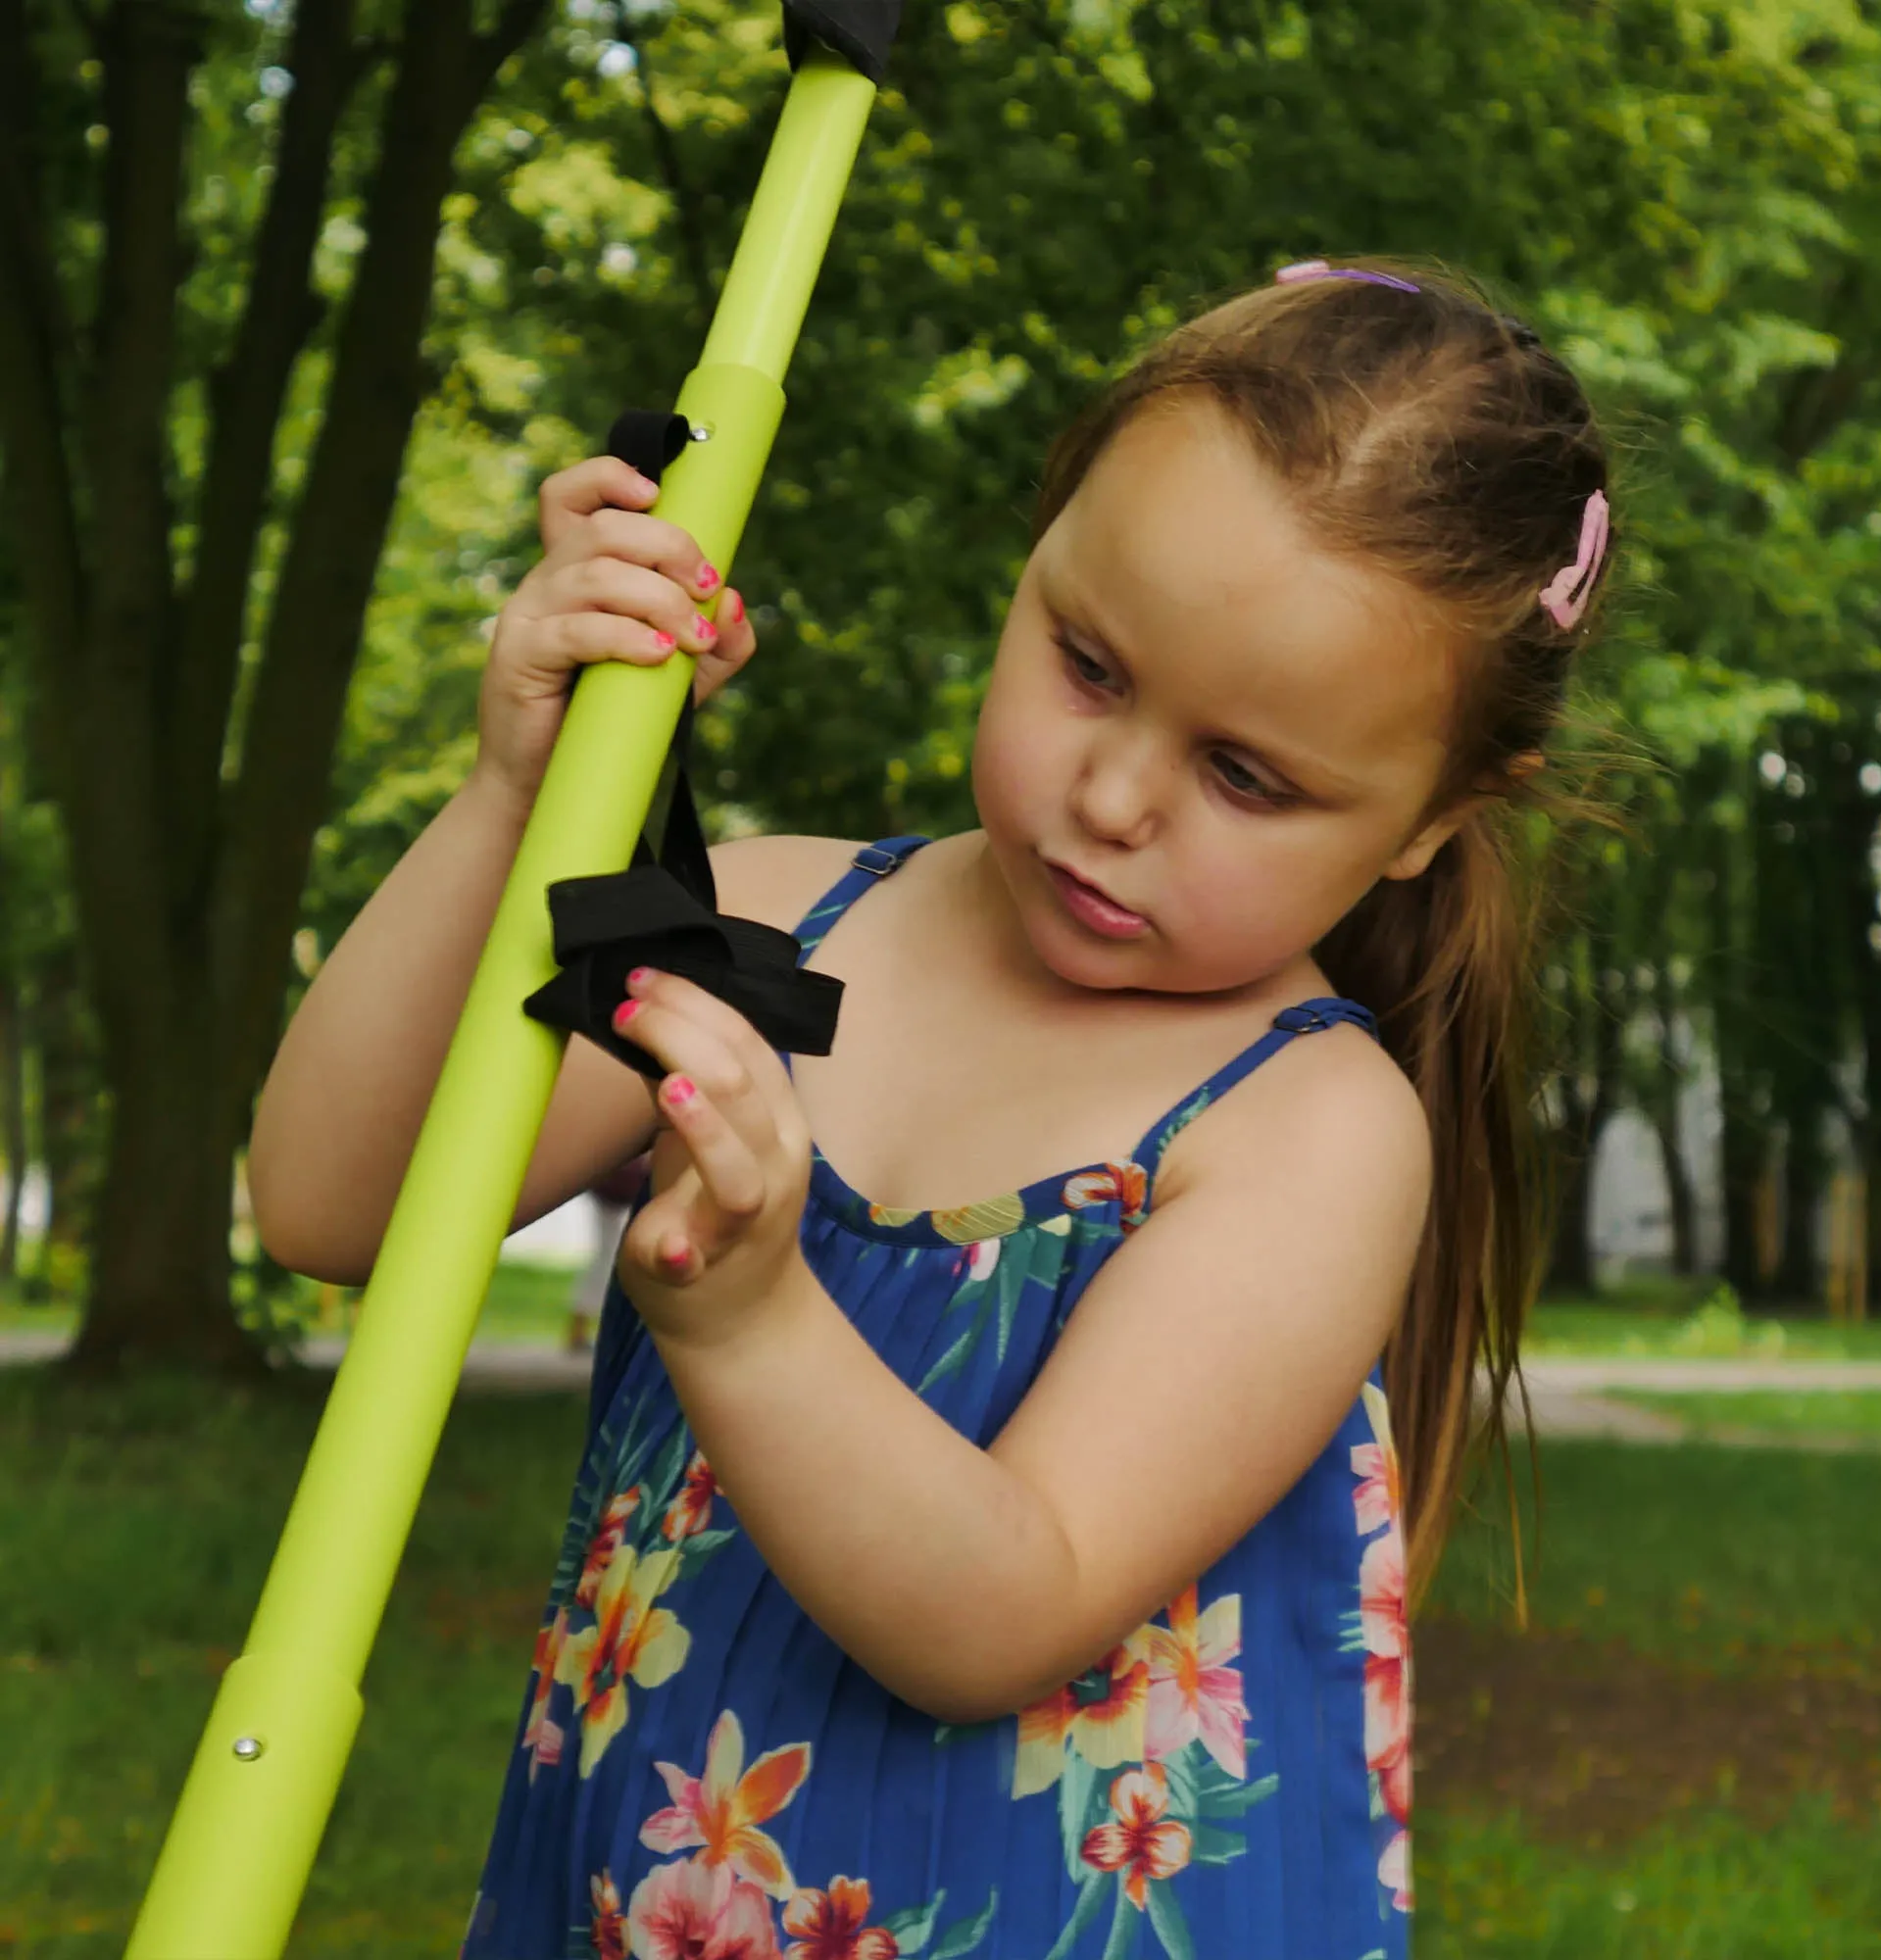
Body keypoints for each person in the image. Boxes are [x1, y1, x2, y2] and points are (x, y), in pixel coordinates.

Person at [249, 256, 1613, 1959]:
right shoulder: (754, 922)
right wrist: (513, 799)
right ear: (1037, 552)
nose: (1114, 795)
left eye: (1248, 775)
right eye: (1091, 664)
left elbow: (1000, 1604)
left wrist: (750, 1323)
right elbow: (331, 1202)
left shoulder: (1304, 1130)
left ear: (1431, 818)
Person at [567, 1155, 652, 1353]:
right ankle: (580, 1329)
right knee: (608, 1260)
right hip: (617, 1192)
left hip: (620, 1191)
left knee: (611, 1259)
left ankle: (582, 1329)